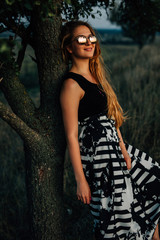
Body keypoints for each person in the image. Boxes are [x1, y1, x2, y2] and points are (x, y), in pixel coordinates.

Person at [60, 20, 160, 240]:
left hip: (116, 151)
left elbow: (112, 119)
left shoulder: (97, 78)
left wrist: (123, 149)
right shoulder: (71, 85)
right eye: (81, 39)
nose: (89, 42)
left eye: (92, 37)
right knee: (118, 215)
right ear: (69, 47)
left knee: (154, 179)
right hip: (100, 161)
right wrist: (80, 180)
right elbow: (71, 135)